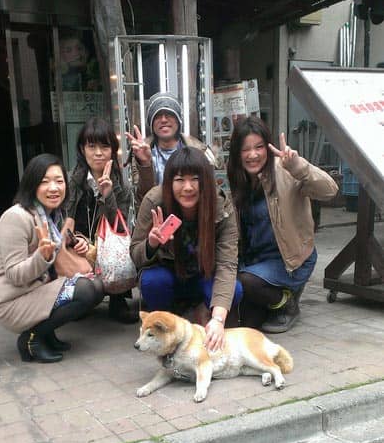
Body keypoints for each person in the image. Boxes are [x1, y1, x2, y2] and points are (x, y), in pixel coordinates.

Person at [0, 154, 105, 363]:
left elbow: (56, 253)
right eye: (45, 181)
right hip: (11, 300)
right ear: (32, 185)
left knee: (97, 286)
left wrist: (76, 244)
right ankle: (32, 339)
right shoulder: (15, 217)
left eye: (59, 181)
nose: (53, 188)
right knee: (85, 291)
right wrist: (42, 256)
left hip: (35, 288)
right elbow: (14, 275)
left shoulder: (51, 215)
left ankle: (47, 334)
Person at [227, 116, 339, 333]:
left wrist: (299, 167)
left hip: (290, 261)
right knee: (248, 322)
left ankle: (287, 303)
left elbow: (330, 190)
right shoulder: (236, 178)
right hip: (254, 260)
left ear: (268, 147)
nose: (252, 155)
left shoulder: (286, 170)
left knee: (244, 282)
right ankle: (271, 301)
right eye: (245, 149)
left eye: (259, 147)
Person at [130, 146, 242, 353]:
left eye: (195, 179)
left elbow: (227, 264)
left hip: (204, 275)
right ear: (169, 181)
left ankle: (203, 312)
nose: (188, 187)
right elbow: (135, 255)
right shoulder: (154, 201)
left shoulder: (221, 206)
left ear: (206, 181)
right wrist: (151, 244)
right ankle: (167, 326)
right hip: (169, 275)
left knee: (234, 290)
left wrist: (218, 320)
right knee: (152, 281)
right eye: (180, 180)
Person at [65, 117, 138, 323]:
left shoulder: (121, 184)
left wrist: (108, 194)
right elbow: (64, 220)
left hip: (107, 245)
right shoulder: (71, 181)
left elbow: (119, 225)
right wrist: (75, 240)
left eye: (104, 147)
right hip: (78, 245)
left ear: (112, 150)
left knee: (123, 247)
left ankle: (117, 301)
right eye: (92, 146)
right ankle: (81, 298)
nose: (98, 153)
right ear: (82, 149)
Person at [126, 91, 220, 208]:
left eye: (169, 114)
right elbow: (142, 197)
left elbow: (211, 194)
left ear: (178, 119)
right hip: (157, 215)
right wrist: (145, 164)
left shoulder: (199, 151)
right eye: (158, 116)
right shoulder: (141, 153)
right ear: (151, 122)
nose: (164, 120)